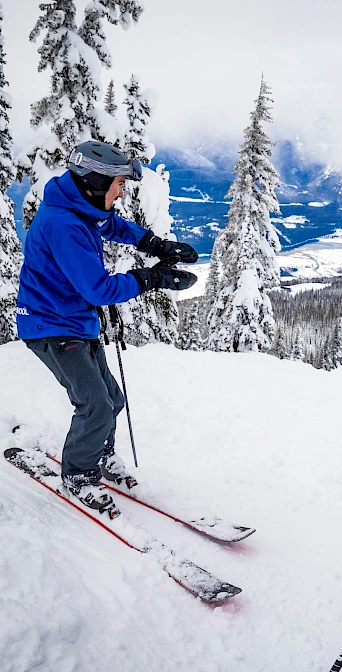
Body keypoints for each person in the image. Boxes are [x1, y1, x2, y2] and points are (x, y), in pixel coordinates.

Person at [16, 140, 199, 514]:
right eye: (118, 184)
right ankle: (78, 476)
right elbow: (99, 290)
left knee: (112, 399)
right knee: (96, 405)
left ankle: (99, 454)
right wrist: (151, 278)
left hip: (74, 320)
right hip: (50, 326)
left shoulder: (79, 206)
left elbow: (110, 224)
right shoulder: (64, 225)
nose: (121, 192)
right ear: (95, 182)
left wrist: (155, 244)